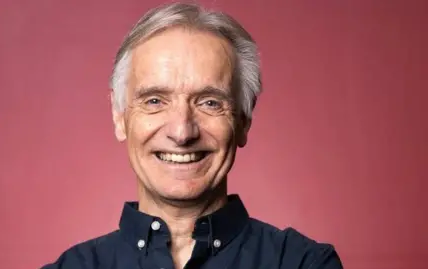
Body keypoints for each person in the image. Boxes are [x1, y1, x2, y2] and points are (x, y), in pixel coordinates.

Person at [42, 2, 343, 269]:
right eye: (155, 101)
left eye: (210, 102)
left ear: (243, 120)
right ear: (119, 116)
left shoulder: (303, 263)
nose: (182, 131)